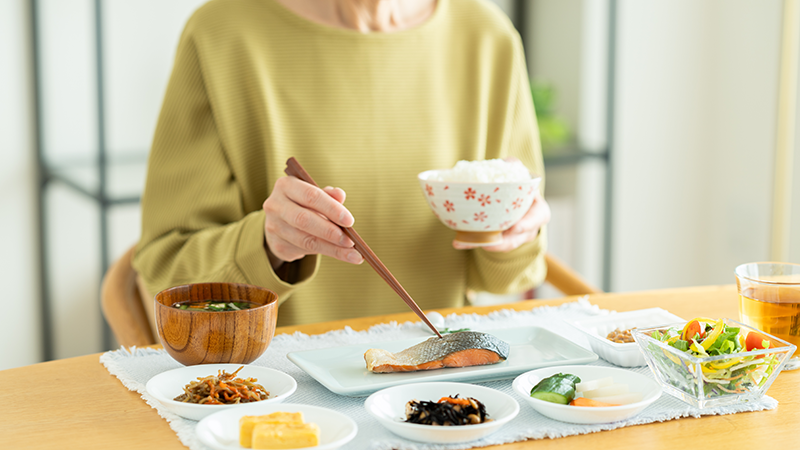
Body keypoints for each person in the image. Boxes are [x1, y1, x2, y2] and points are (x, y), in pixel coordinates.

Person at [133, 0, 551, 327]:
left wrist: (514, 233)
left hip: (441, 377)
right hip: (277, 391)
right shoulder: (221, 34)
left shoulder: (488, 36)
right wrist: (266, 246)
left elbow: (508, 276)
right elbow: (165, 273)